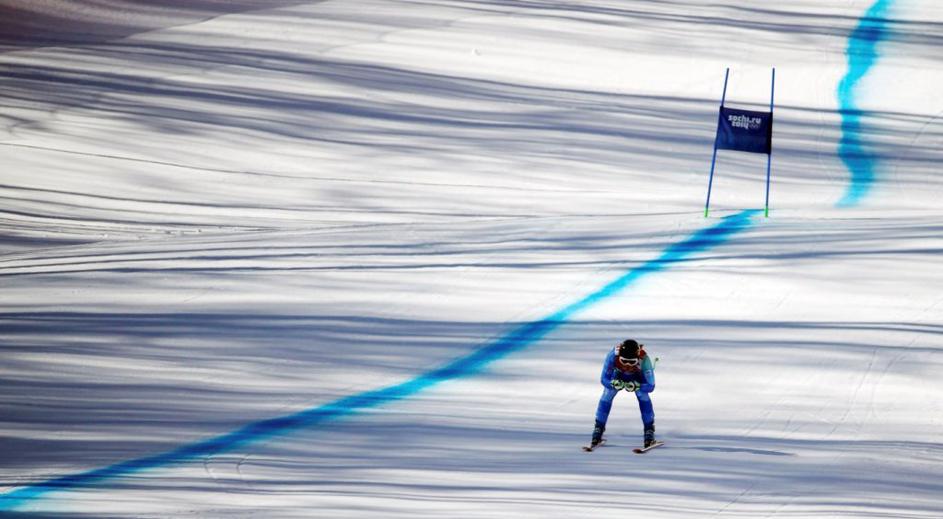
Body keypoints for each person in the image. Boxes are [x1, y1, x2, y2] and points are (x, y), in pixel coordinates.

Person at [590, 339, 656, 448]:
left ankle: (649, 430)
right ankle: (598, 428)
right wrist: (612, 383)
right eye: (624, 361)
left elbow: (651, 386)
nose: (627, 366)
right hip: (618, 376)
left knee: (642, 395)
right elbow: (603, 379)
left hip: (637, 378)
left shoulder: (644, 359)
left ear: (637, 358)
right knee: (608, 393)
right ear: (619, 356)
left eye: (632, 362)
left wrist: (638, 386)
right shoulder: (612, 355)